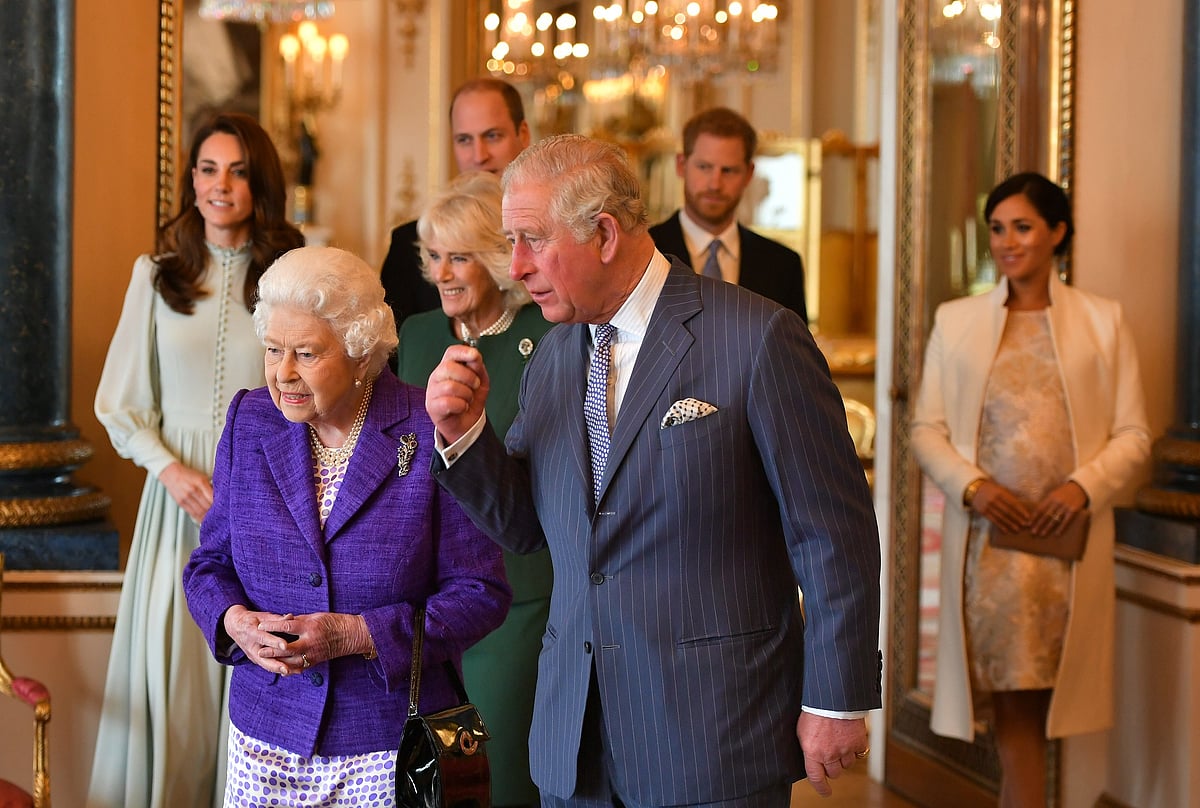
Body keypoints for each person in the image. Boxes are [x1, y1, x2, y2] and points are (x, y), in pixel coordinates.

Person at [424, 134, 881, 806]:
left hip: (713, 737)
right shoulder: (553, 357)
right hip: (574, 740)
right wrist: (464, 438)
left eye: (531, 240)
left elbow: (833, 534)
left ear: (604, 233)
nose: (514, 266)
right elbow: (526, 528)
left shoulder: (758, 339)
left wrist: (835, 700)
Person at [182, 246, 512, 807]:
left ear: (361, 353)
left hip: (388, 743)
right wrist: (233, 621)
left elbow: (482, 593)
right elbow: (209, 564)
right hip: (264, 737)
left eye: (306, 354)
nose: (282, 374)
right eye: (273, 350)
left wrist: (360, 635)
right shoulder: (249, 418)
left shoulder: (427, 425)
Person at [911, 172, 1151, 807]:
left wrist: (1081, 488)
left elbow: (1134, 434)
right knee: (1013, 707)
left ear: (1057, 233)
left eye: (1022, 227)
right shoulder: (957, 321)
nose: (1007, 242)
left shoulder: (1103, 322)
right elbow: (925, 430)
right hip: (991, 553)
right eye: (997, 229)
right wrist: (974, 487)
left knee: (1055, 703)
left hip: (1068, 549)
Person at [89, 111, 305, 808]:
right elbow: (120, 401)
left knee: (251, 679)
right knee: (175, 682)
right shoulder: (155, 275)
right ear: (191, 180)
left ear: (259, 183)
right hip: (174, 508)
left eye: (239, 171)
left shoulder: (291, 278)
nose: (221, 185)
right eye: (208, 169)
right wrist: (169, 469)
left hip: (267, 510)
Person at [395, 170, 553, 807]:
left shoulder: (547, 336)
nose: (442, 273)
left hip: (518, 590)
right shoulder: (418, 335)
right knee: (427, 777)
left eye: (459, 256)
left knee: (504, 775)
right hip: (425, 598)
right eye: (434, 256)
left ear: (496, 256)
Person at [380, 78, 532, 333]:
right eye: (464, 140)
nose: (479, 155)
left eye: (492, 136)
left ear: (523, 134)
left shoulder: (550, 237)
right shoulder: (409, 244)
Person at [649, 106, 808, 322]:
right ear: (681, 166)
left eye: (729, 171)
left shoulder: (783, 265)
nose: (715, 184)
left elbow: (792, 353)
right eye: (704, 167)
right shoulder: (647, 251)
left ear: (749, 174)